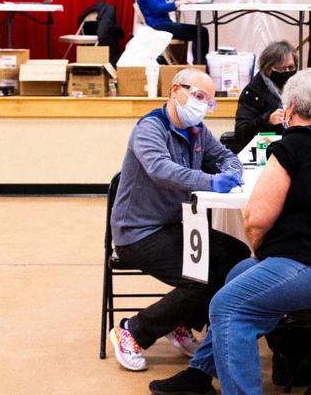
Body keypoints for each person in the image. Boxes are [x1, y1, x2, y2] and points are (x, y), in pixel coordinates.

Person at [148, 68, 311, 395]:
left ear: (292, 105)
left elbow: (256, 220)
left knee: (228, 306)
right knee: (236, 274)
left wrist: (262, 251)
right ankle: (200, 375)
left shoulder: (293, 146)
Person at [108, 68, 251, 372]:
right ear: (176, 90)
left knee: (237, 256)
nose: (202, 106)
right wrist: (210, 181)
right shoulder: (150, 128)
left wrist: (232, 170)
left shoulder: (197, 130)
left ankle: (180, 322)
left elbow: (226, 155)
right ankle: (132, 331)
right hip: (138, 232)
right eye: (198, 96)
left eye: (209, 102)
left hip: (176, 225)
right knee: (201, 280)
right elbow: (162, 170)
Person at [233, 41, 296, 147]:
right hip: (266, 149)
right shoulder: (252, 92)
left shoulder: (299, 87)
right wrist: (267, 120)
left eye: (291, 67)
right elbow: (241, 132)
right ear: (267, 68)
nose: (287, 71)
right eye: (281, 68)